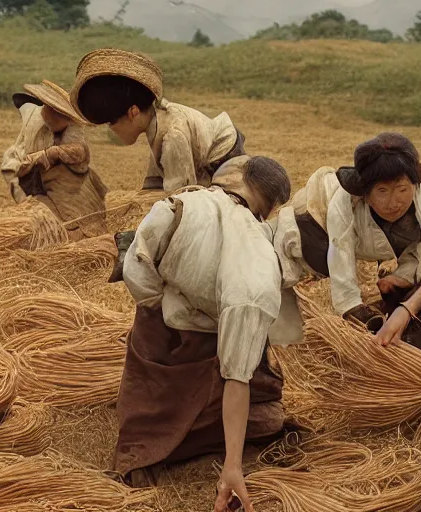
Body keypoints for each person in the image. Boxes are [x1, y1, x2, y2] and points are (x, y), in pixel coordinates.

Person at [114, 154, 303, 512]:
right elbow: (236, 376)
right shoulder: (259, 271)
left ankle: (149, 443)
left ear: (237, 179)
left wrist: (161, 306)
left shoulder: (181, 204)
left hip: (156, 342)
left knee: (148, 405)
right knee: (265, 415)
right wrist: (232, 466)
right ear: (272, 206)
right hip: (196, 348)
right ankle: (189, 435)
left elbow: (135, 267)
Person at [275, 132, 421, 354]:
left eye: (402, 190)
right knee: (299, 262)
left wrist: (402, 277)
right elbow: (339, 253)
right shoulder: (342, 204)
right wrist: (354, 310)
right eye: (382, 191)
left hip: (380, 241)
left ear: (414, 185)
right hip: (316, 222)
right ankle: (280, 342)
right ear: (365, 193)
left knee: (414, 269)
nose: (394, 202)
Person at [69, 48, 245, 192]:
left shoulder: (172, 137)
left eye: (111, 123)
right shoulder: (156, 122)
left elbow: (182, 197)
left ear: (133, 112)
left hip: (225, 165)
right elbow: (154, 185)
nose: (111, 130)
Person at [1, 80, 109, 241]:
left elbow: (79, 152)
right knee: (41, 213)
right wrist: (34, 160)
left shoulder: (73, 128)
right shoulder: (38, 125)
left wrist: (52, 153)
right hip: (36, 178)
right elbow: (22, 161)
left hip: (68, 184)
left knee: (79, 217)